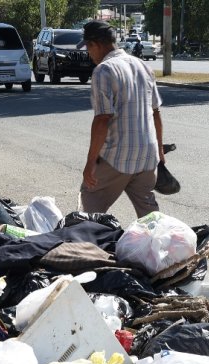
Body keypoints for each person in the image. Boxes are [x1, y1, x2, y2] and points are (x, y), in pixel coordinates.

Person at [80, 21, 165, 218]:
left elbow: (102, 119)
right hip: (147, 156)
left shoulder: (104, 70)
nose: (88, 53)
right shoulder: (143, 66)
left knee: (90, 207)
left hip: (117, 157)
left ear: (96, 44)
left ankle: (90, 244)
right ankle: (160, 243)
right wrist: (160, 151)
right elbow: (156, 112)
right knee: (149, 214)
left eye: (87, 48)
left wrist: (90, 163)